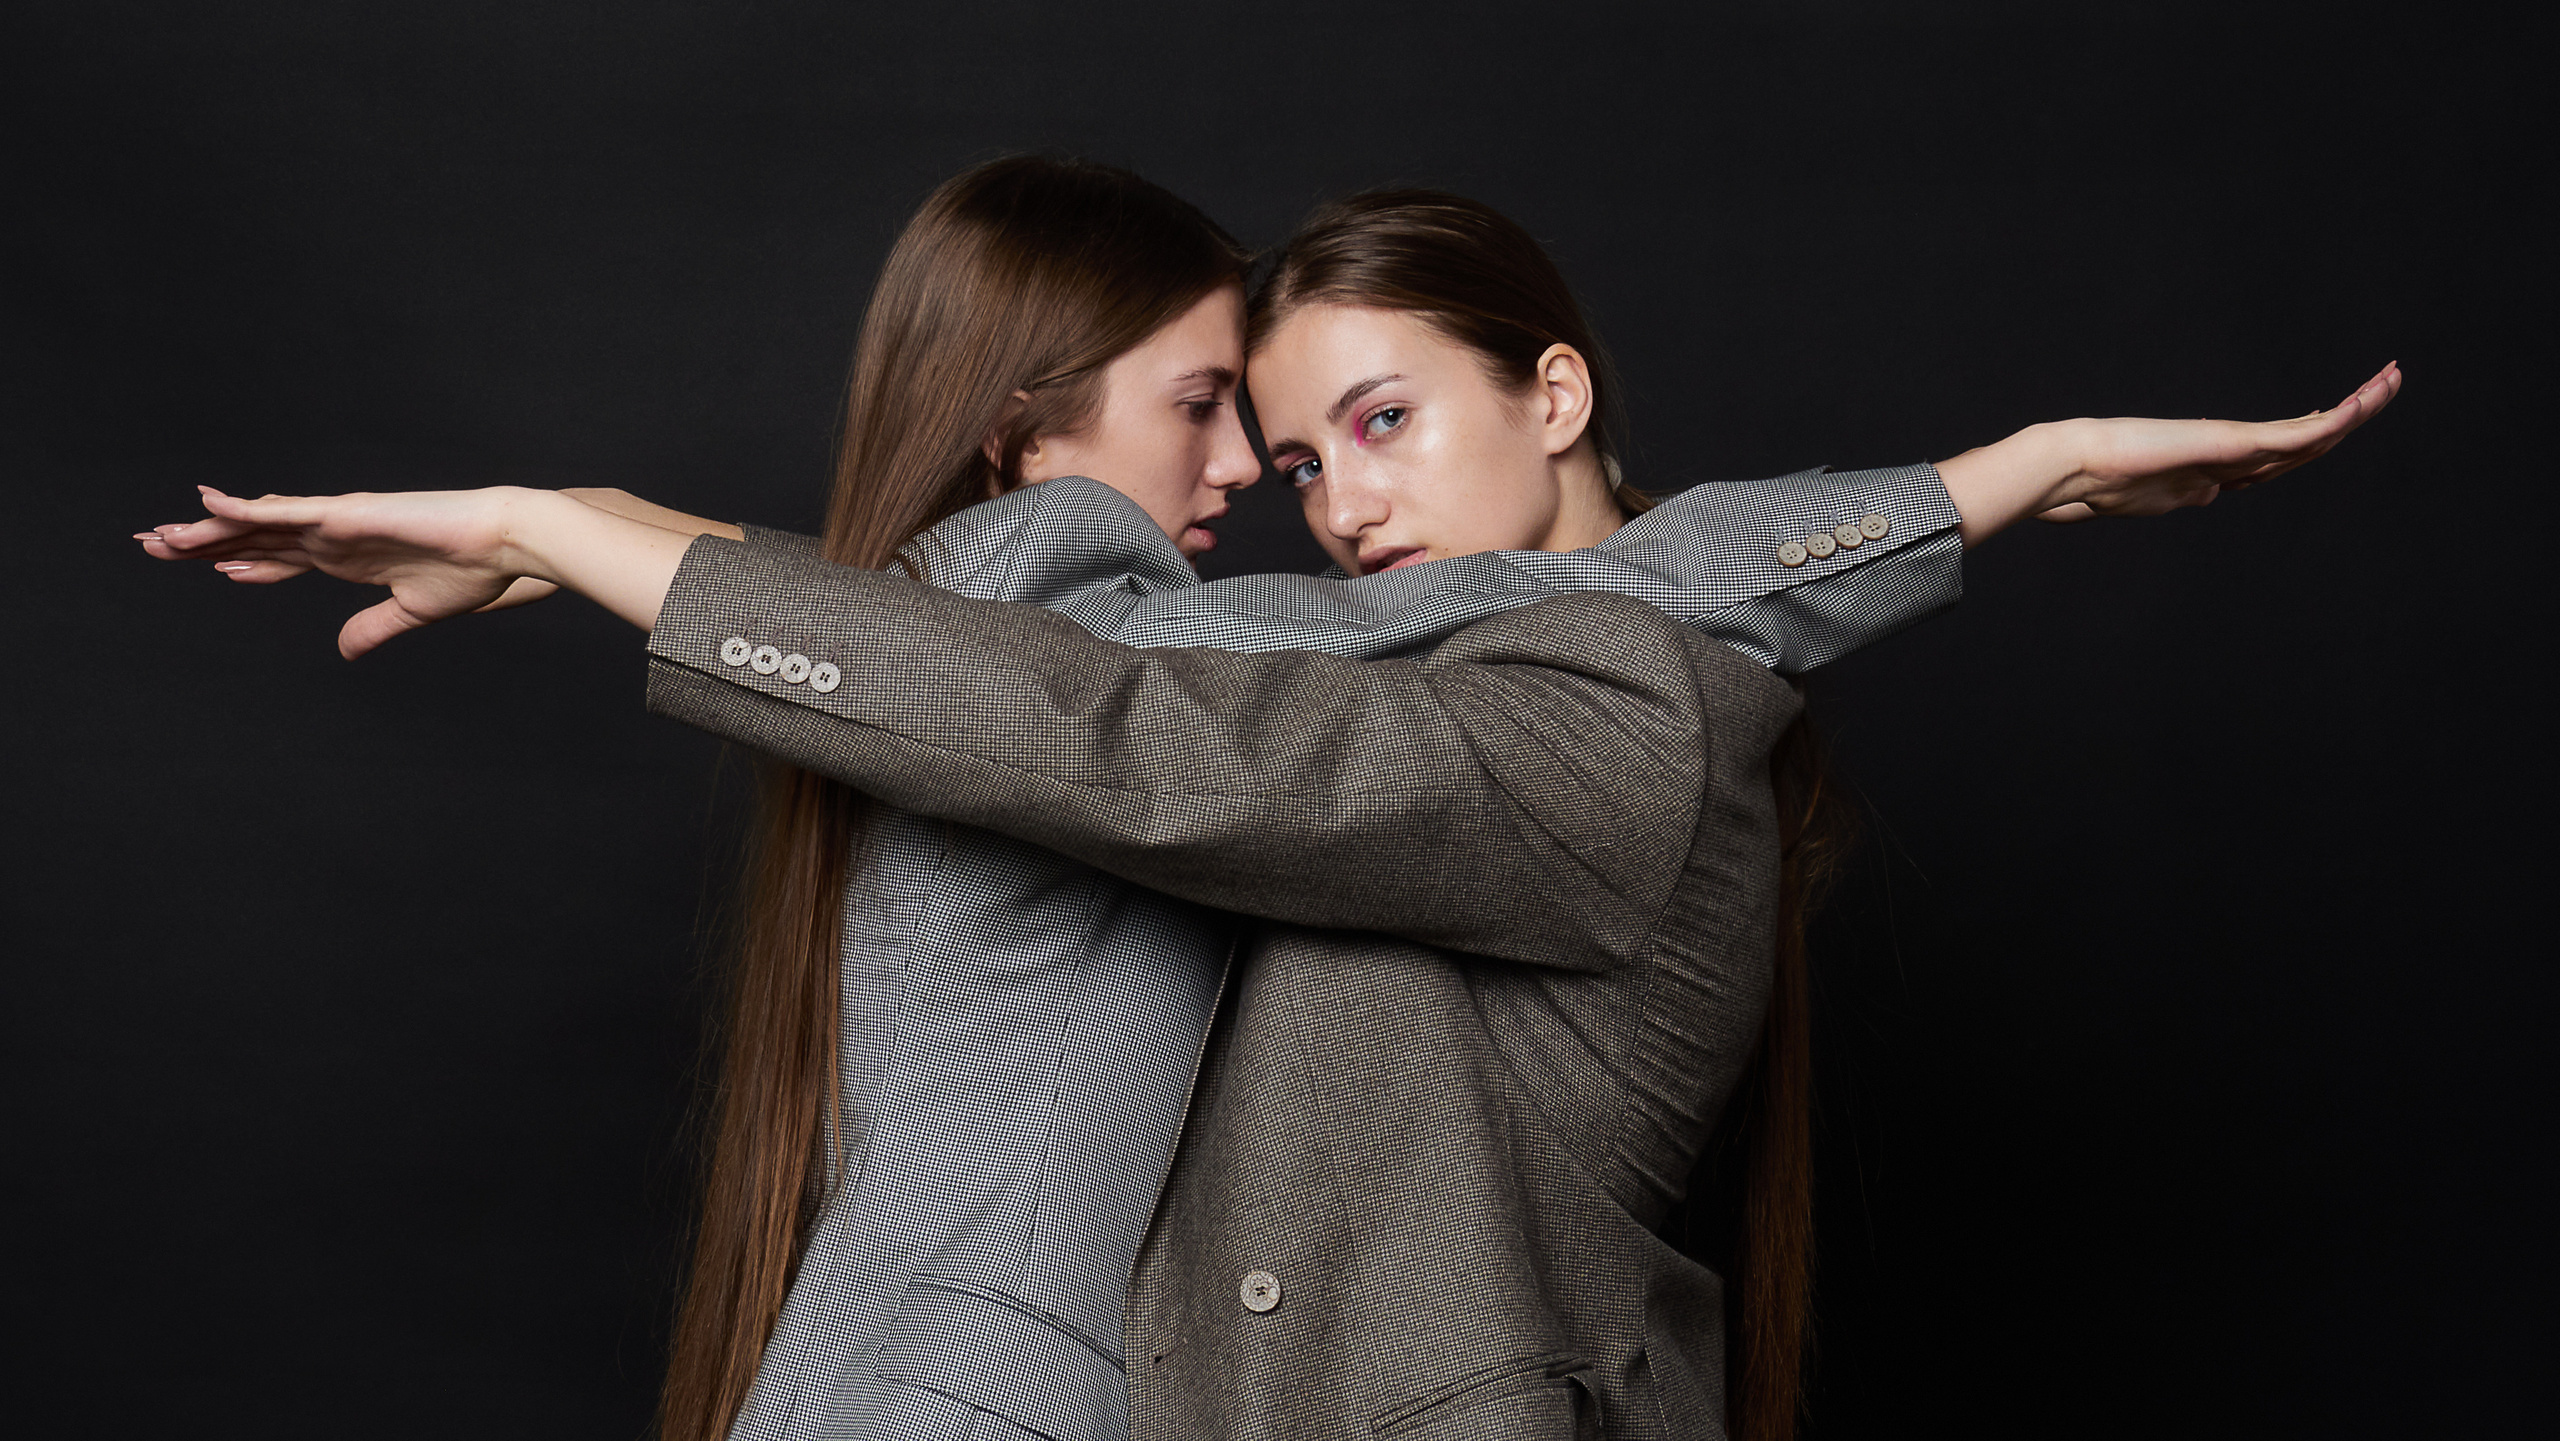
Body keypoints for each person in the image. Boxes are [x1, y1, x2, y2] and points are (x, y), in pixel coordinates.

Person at [137, 162, 2395, 1441]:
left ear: (1555, 394)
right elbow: (1095, 679)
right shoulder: (1421, 647)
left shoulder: (1622, 721)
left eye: (1379, 422)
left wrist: (567, 526)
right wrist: (598, 536)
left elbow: (1135, 727)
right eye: (1295, 455)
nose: (1325, 502)